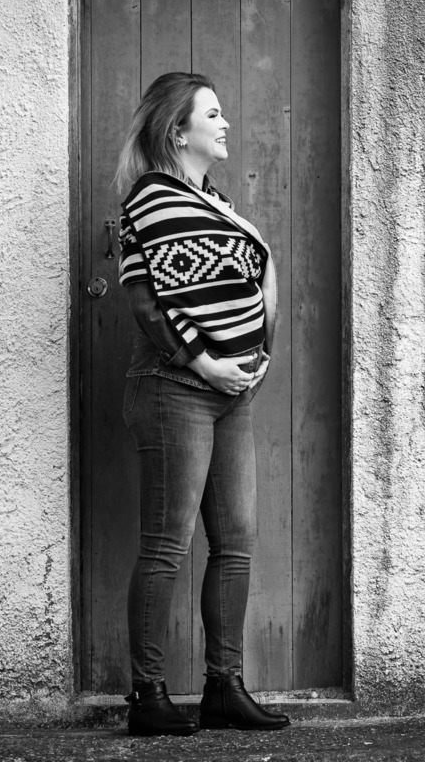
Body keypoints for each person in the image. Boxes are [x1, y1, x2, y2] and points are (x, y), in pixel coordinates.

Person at [113, 72, 289, 735]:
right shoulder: (152, 198)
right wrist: (205, 361)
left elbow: (246, 281)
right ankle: (148, 696)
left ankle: (224, 686)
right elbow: (147, 301)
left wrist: (257, 356)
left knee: (236, 542)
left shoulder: (215, 201)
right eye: (212, 115)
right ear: (177, 131)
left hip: (230, 392)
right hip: (176, 388)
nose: (225, 124)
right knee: (167, 545)